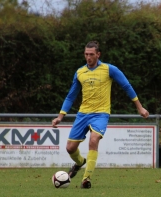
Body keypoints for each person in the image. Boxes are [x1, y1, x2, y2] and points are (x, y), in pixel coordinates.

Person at [52, 41, 149, 189]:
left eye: (91, 54)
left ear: (98, 54)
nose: (88, 57)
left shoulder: (109, 69)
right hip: (83, 114)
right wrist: (60, 116)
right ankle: (80, 163)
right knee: (70, 148)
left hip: (101, 114)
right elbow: (71, 96)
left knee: (94, 139)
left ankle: (86, 178)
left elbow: (126, 86)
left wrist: (140, 108)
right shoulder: (80, 73)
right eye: (86, 54)